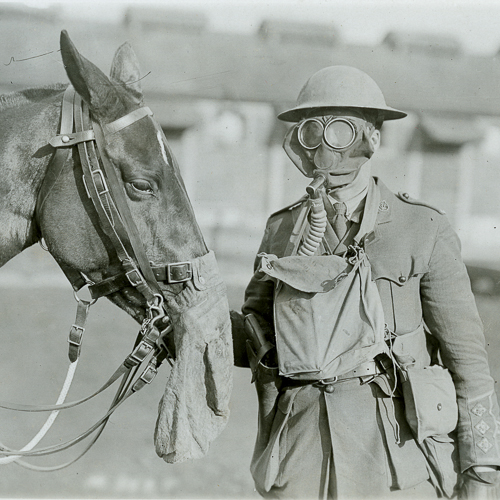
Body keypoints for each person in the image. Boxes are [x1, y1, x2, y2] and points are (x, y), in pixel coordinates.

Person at [230, 65, 500, 499]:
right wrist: (189, 316)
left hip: (395, 453)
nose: (324, 147)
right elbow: (258, 336)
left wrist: (481, 468)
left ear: (373, 138)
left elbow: (468, 359)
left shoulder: (422, 227)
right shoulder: (282, 230)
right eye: (309, 132)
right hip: (302, 450)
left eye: (340, 130)